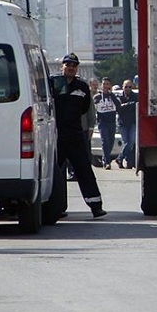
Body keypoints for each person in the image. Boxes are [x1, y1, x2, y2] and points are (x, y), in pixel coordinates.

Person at [50, 53, 106, 218]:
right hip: (56, 135)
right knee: (55, 173)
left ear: (77, 68)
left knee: (84, 170)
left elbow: (85, 108)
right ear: (62, 66)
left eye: (74, 66)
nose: (71, 68)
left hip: (75, 134)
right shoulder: (54, 83)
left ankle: (96, 206)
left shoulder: (81, 86)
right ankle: (56, 208)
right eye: (68, 65)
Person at [93, 77, 121, 170]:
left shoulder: (113, 96)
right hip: (102, 122)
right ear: (102, 85)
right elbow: (93, 107)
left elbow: (118, 105)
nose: (105, 86)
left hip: (111, 121)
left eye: (107, 84)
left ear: (110, 85)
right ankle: (107, 162)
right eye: (104, 84)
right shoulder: (97, 97)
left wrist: (112, 95)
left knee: (110, 141)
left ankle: (105, 157)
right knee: (105, 141)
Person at [114, 79, 137, 169]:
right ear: (122, 87)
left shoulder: (135, 96)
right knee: (126, 143)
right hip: (122, 123)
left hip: (132, 123)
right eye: (126, 87)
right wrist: (129, 105)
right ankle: (127, 162)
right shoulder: (119, 97)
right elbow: (119, 108)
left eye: (129, 87)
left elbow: (136, 105)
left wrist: (125, 105)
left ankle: (121, 159)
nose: (127, 88)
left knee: (131, 142)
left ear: (132, 87)